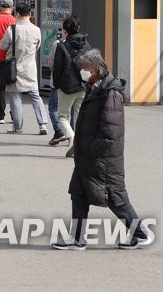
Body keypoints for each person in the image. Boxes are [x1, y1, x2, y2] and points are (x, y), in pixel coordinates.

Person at [53, 49, 151, 250]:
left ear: (97, 69)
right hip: (88, 156)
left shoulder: (110, 93)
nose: (83, 72)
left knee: (114, 197)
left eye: (86, 68)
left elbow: (110, 131)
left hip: (101, 158)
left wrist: (89, 148)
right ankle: (77, 239)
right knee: (78, 194)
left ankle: (140, 232)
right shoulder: (94, 86)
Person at [0, 3, 50, 134]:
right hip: (30, 67)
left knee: (15, 97)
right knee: (35, 96)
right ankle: (43, 124)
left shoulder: (12, 29)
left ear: (17, 14)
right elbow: (37, 46)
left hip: (14, 68)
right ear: (29, 14)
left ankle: (18, 126)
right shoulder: (37, 30)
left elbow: (2, 46)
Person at [49, 17, 92, 151]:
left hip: (66, 85)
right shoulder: (86, 44)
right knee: (80, 115)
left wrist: (56, 84)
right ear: (78, 28)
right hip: (84, 84)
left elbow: (57, 67)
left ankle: (71, 138)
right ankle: (80, 142)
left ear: (65, 30)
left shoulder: (62, 45)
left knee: (63, 116)